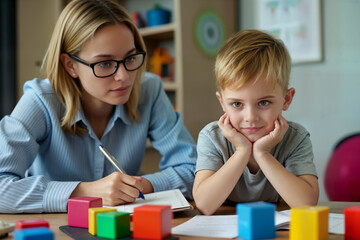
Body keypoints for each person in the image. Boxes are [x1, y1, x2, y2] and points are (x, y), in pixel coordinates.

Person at [0, 0, 196, 213]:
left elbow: (194, 170)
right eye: (104, 63)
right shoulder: (40, 100)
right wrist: (85, 192)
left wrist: (135, 188)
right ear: (70, 65)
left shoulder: (149, 89)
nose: (124, 77)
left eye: (130, 58)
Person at [192, 29, 319, 215]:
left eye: (264, 102)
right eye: (236, 104)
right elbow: (204, 204)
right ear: (222, 102)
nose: (250, 117)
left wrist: (262, 153)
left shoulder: (296, 138)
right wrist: (242, 151)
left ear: (286, 99)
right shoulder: (212, 137)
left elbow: (307, 204)